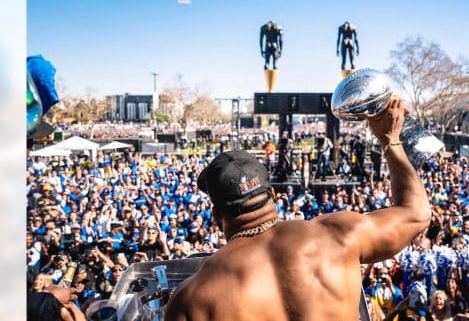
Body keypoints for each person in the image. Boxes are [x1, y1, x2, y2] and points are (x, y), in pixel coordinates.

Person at [165, 96, 431, 320]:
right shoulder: (337, 235)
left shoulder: (192, 298)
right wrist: (390, 140)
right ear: (273, 194)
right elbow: (416, 214)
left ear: (216, 215)